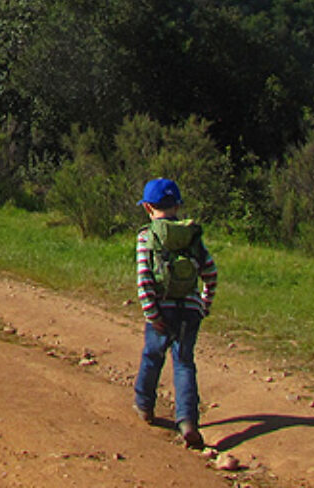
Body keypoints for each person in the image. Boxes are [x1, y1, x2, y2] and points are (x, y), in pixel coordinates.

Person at [132, 176, 217, 450]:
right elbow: (210, 273)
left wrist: (151, 313)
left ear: (147, 207)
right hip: (189, 310)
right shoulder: (192, 234)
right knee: (184, 363)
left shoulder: (147, 236)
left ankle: (144, 405)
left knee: (152, 356)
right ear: (178, 206)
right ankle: (188, 421)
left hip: (162, 309)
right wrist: (204, 303)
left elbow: (144, 279)